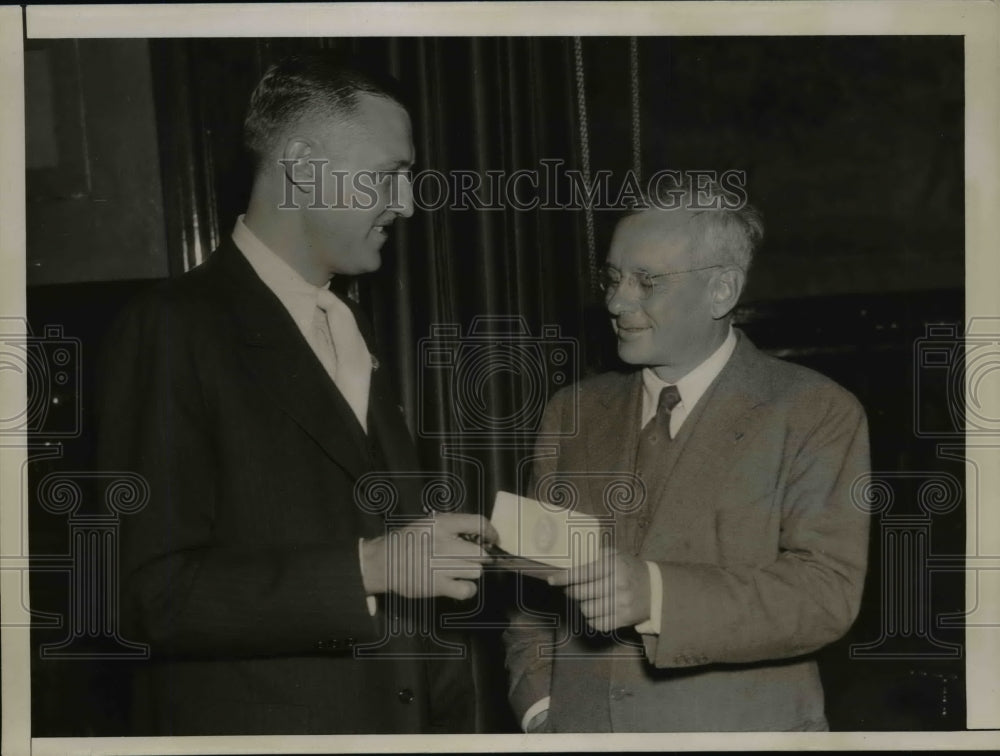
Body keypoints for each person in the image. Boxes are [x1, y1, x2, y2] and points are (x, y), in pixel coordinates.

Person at [98, 52, 497, 736]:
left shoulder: (346, 322)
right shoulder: (172, 325)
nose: (406, 203)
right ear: (303, 163)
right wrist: (370, 566)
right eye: (389, 176)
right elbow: (143, 598)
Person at [503, 177, 870, 732]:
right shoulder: (571, 410)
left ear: (722, 290)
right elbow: (532, 585)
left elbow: (825, 594)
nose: (616, 300)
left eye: (646, 282)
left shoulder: (815, 411)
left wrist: (655, 593)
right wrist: (539, 708)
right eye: (613, 277)